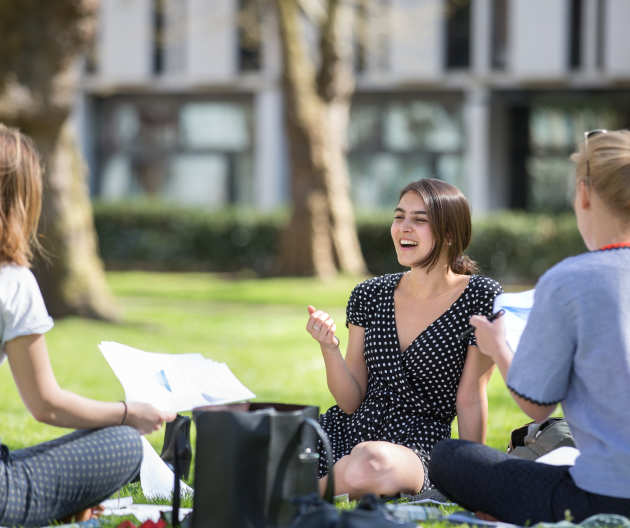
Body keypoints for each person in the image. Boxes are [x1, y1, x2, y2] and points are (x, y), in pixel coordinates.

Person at [429, 129, 630, 524]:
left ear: (585, 195)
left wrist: (497, 344)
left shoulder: (571, 279)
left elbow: (536, 404)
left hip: (603, 498)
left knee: (450, 457)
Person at [0, 123, 176, 527]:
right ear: (20, 201)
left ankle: (68, 500)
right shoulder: (11, 280)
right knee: (123, 445)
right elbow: (46, 405)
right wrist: (128, 413)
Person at [306, 178, 503, 498]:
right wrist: (329, 347)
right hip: (344, 432)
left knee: (371, 464)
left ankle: (289, 493)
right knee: (259, 434)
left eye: (419, 220)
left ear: (450, 233)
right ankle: (305, 481)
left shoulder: (480, 296)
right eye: (399, 217)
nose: (404, 228)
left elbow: (470, 397)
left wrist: (472, 476)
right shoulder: (369, 293)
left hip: (416, 448)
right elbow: (349, 401)